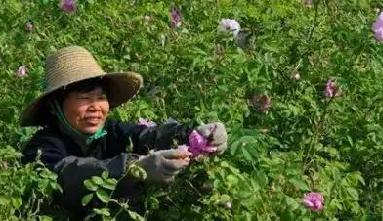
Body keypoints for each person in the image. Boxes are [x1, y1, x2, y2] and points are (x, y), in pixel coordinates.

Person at [20, 46, 228, 218]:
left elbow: (148, 136)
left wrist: (195, 133)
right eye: (84, 98)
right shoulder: (41, 147)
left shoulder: (112, 131)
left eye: (101, 98)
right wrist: (132, 168)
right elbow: (64, 175)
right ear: (55, 106)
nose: (95, 106)